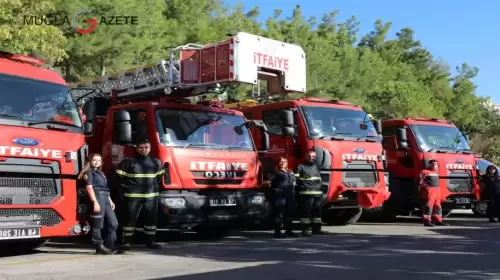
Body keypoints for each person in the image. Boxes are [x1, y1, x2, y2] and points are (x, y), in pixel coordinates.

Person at [116, 139, 164, 250]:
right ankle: (126, 243)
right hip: (133, 197)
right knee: (129, 220)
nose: (143, 150)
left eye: (146, 147)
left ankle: (150, 242)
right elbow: (119, 178)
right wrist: (127, 188)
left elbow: (159, 178)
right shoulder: (127, 162)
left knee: (151, 221)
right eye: (141, 147)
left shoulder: (156, 162)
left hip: (151, 197)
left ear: (150, 148)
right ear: (136, 148)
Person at [78, 153, 120, 255]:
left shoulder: (101, 173)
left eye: (99, 160)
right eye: (94, 160)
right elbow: (89, 188)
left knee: (113, 223)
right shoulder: (89, 172)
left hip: (105, 197)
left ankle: (110, 245)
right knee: (98, 224)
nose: (96, 162)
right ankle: (99, 246)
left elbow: (105, 188)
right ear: (90, 161)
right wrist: (94, 202)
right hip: (97, 197)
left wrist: (110, 200)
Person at [294, 150, 327, 236]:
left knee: (317, 212)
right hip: (306, 194)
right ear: (305, 156)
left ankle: (316, 229)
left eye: (313, 156)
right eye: (309, 156)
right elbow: (295, 181)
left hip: (317, 193)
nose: (311, 158)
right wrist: (299, 188)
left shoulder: (317, 167)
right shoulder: (300, 167)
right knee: (305, 213)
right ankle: (305, 229)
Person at [270, 157, 297, 238]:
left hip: (290, 196)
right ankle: (277, 232)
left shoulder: (290, 172)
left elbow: (294, 182)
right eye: (281, 162)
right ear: (278, 163)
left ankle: (289, 231)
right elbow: (268, 182)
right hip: (280, 196)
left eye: (284, 162)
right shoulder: (275, 172)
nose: (283, 163)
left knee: (289, 214)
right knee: (279, 214)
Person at [418, 159, 447, 227]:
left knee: (438, 206)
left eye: (436, 164)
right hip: (430, 191)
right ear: (429, 164)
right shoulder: (424, 172)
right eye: (433, 164)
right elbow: (420, 182)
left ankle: (438, 220)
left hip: (437, 191)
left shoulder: (436, 172)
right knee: (429, 206)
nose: (434, 165)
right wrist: (425, 189)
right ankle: (427, 221)